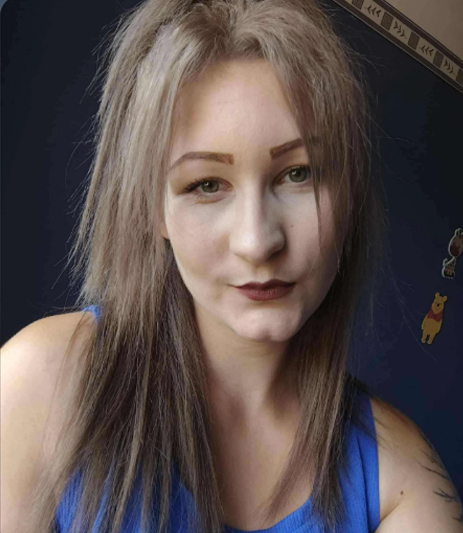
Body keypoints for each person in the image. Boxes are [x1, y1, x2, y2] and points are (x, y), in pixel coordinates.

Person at [1, 0, 462, 532]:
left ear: (350, 196)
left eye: (298, 173)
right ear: (154, 210)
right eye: (206, 184)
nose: (257, 241)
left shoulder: (402, 478)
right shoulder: (39, 386)